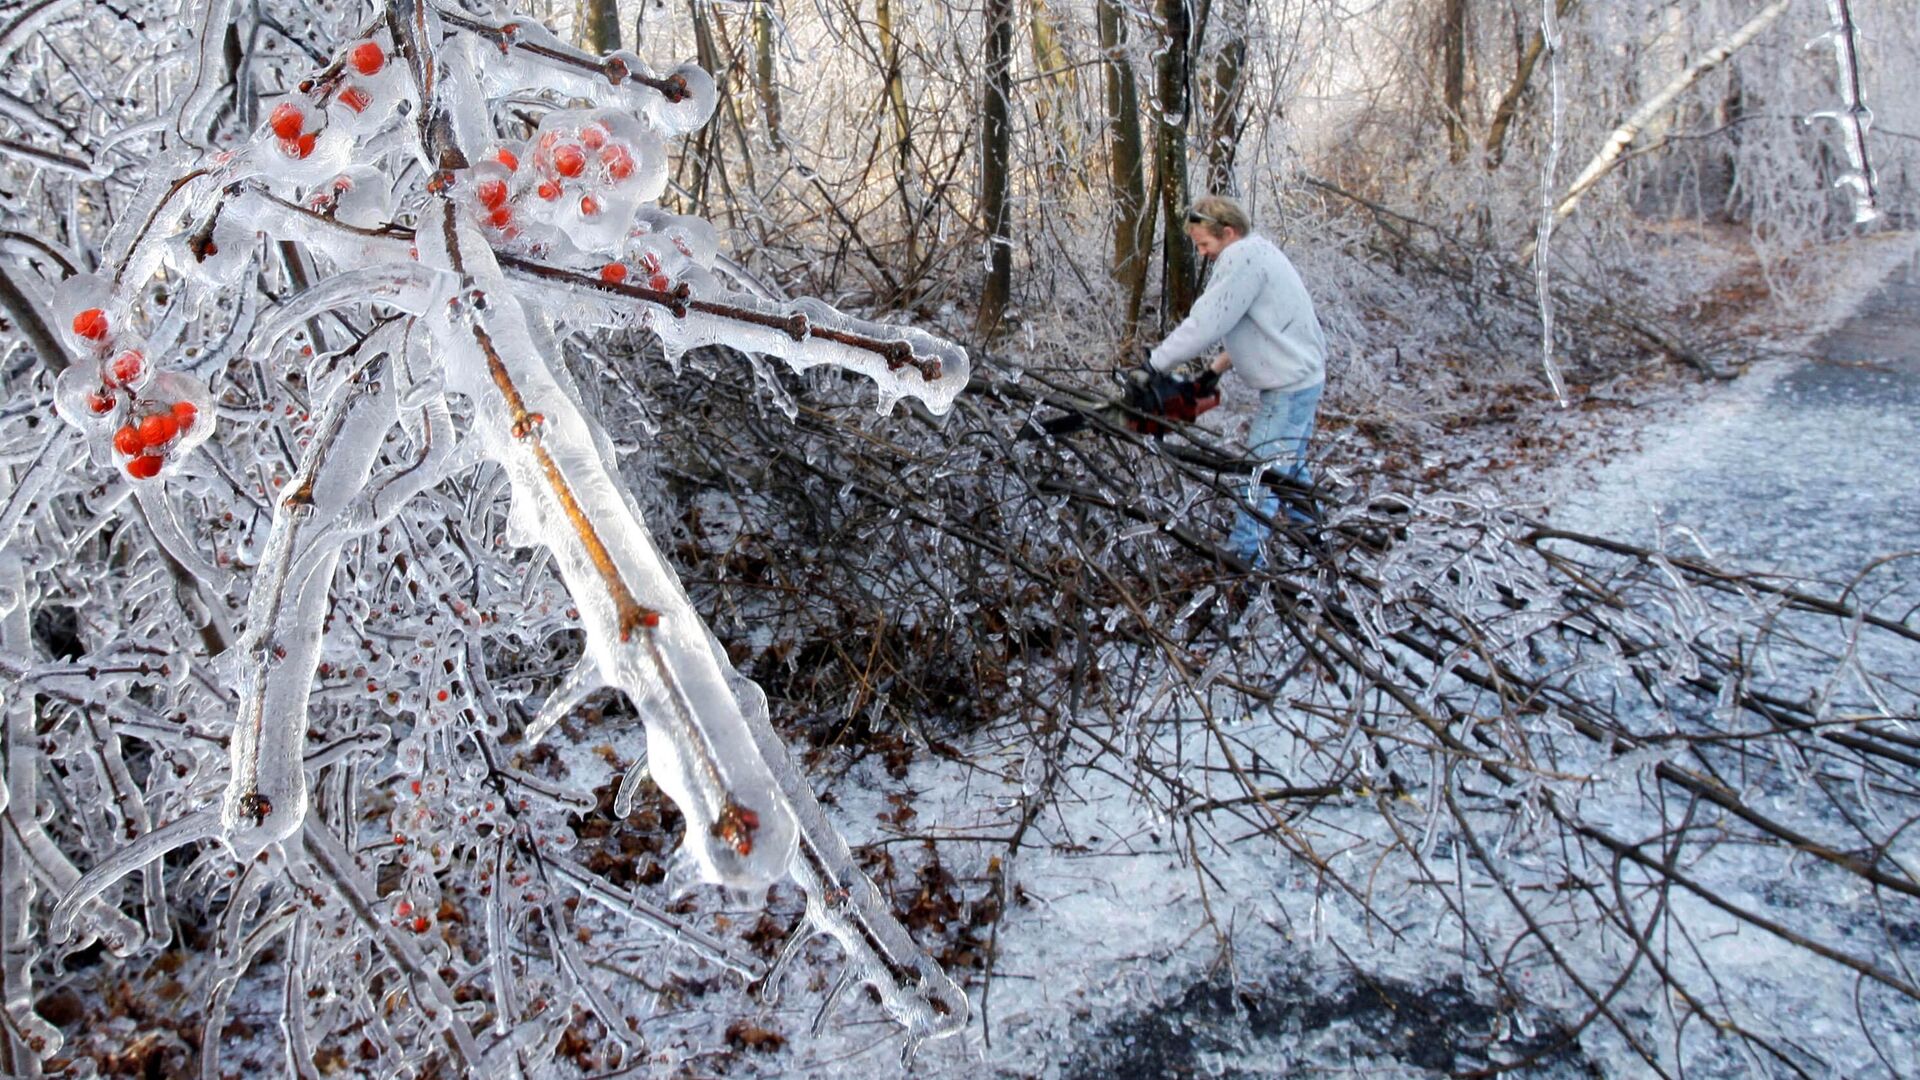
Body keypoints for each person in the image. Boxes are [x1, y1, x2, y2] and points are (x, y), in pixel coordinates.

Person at [1140, 194, 1328, 567]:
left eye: (1204, 244)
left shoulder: (1241, 258)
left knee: (1260, 473)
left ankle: (1245, 561)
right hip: (1304, 378)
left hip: (1288, 388)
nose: (1204, 252)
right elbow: (1258, 323)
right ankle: (1313, 538)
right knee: (1289, 466)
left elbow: (1207, 322)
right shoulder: (1261, 254)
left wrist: (1155, 364)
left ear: (1228, 233)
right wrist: (1215, 370)